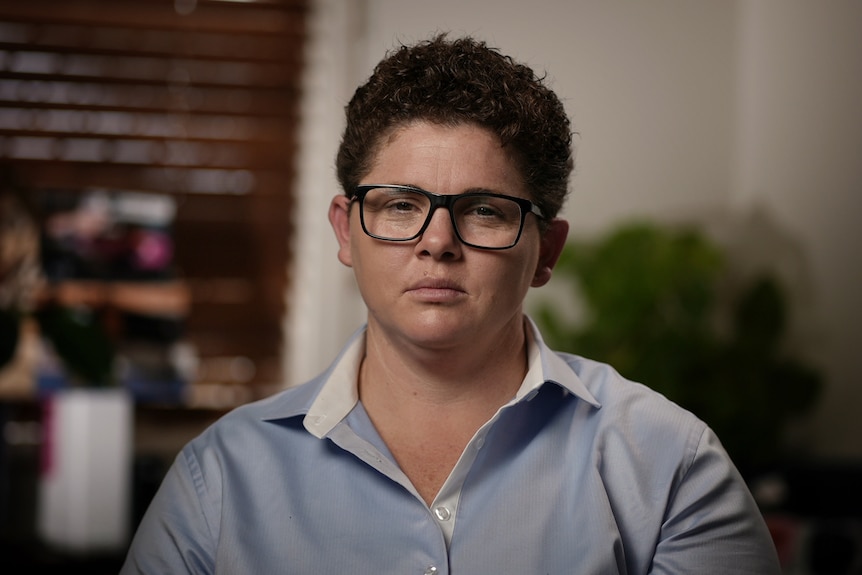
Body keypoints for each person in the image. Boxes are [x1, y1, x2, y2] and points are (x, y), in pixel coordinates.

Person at [121, 35, 781, 574]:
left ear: (546, 250)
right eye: (401, 204)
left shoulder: (670, 466)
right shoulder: (219, 479)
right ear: (346, 230)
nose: (437, 242)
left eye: (485, 210)